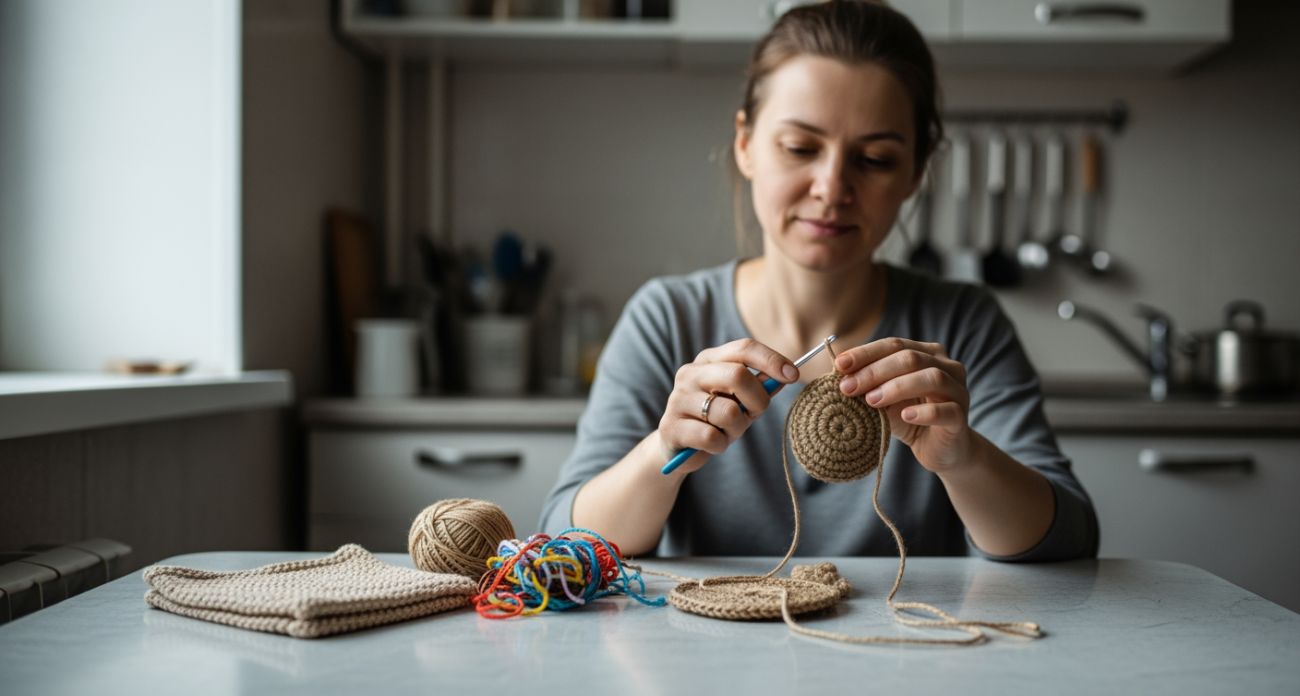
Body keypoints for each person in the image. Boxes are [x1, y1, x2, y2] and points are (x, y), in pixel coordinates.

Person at [539, 0, 1098, 562]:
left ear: (916, 170)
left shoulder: (962, 324)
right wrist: (663, 450)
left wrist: (964, 459)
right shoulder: (669, 319)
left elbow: (1070, 536)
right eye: (800, 148)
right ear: (745, 144)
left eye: (874, 159)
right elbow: (565, 541)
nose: (832, 188)